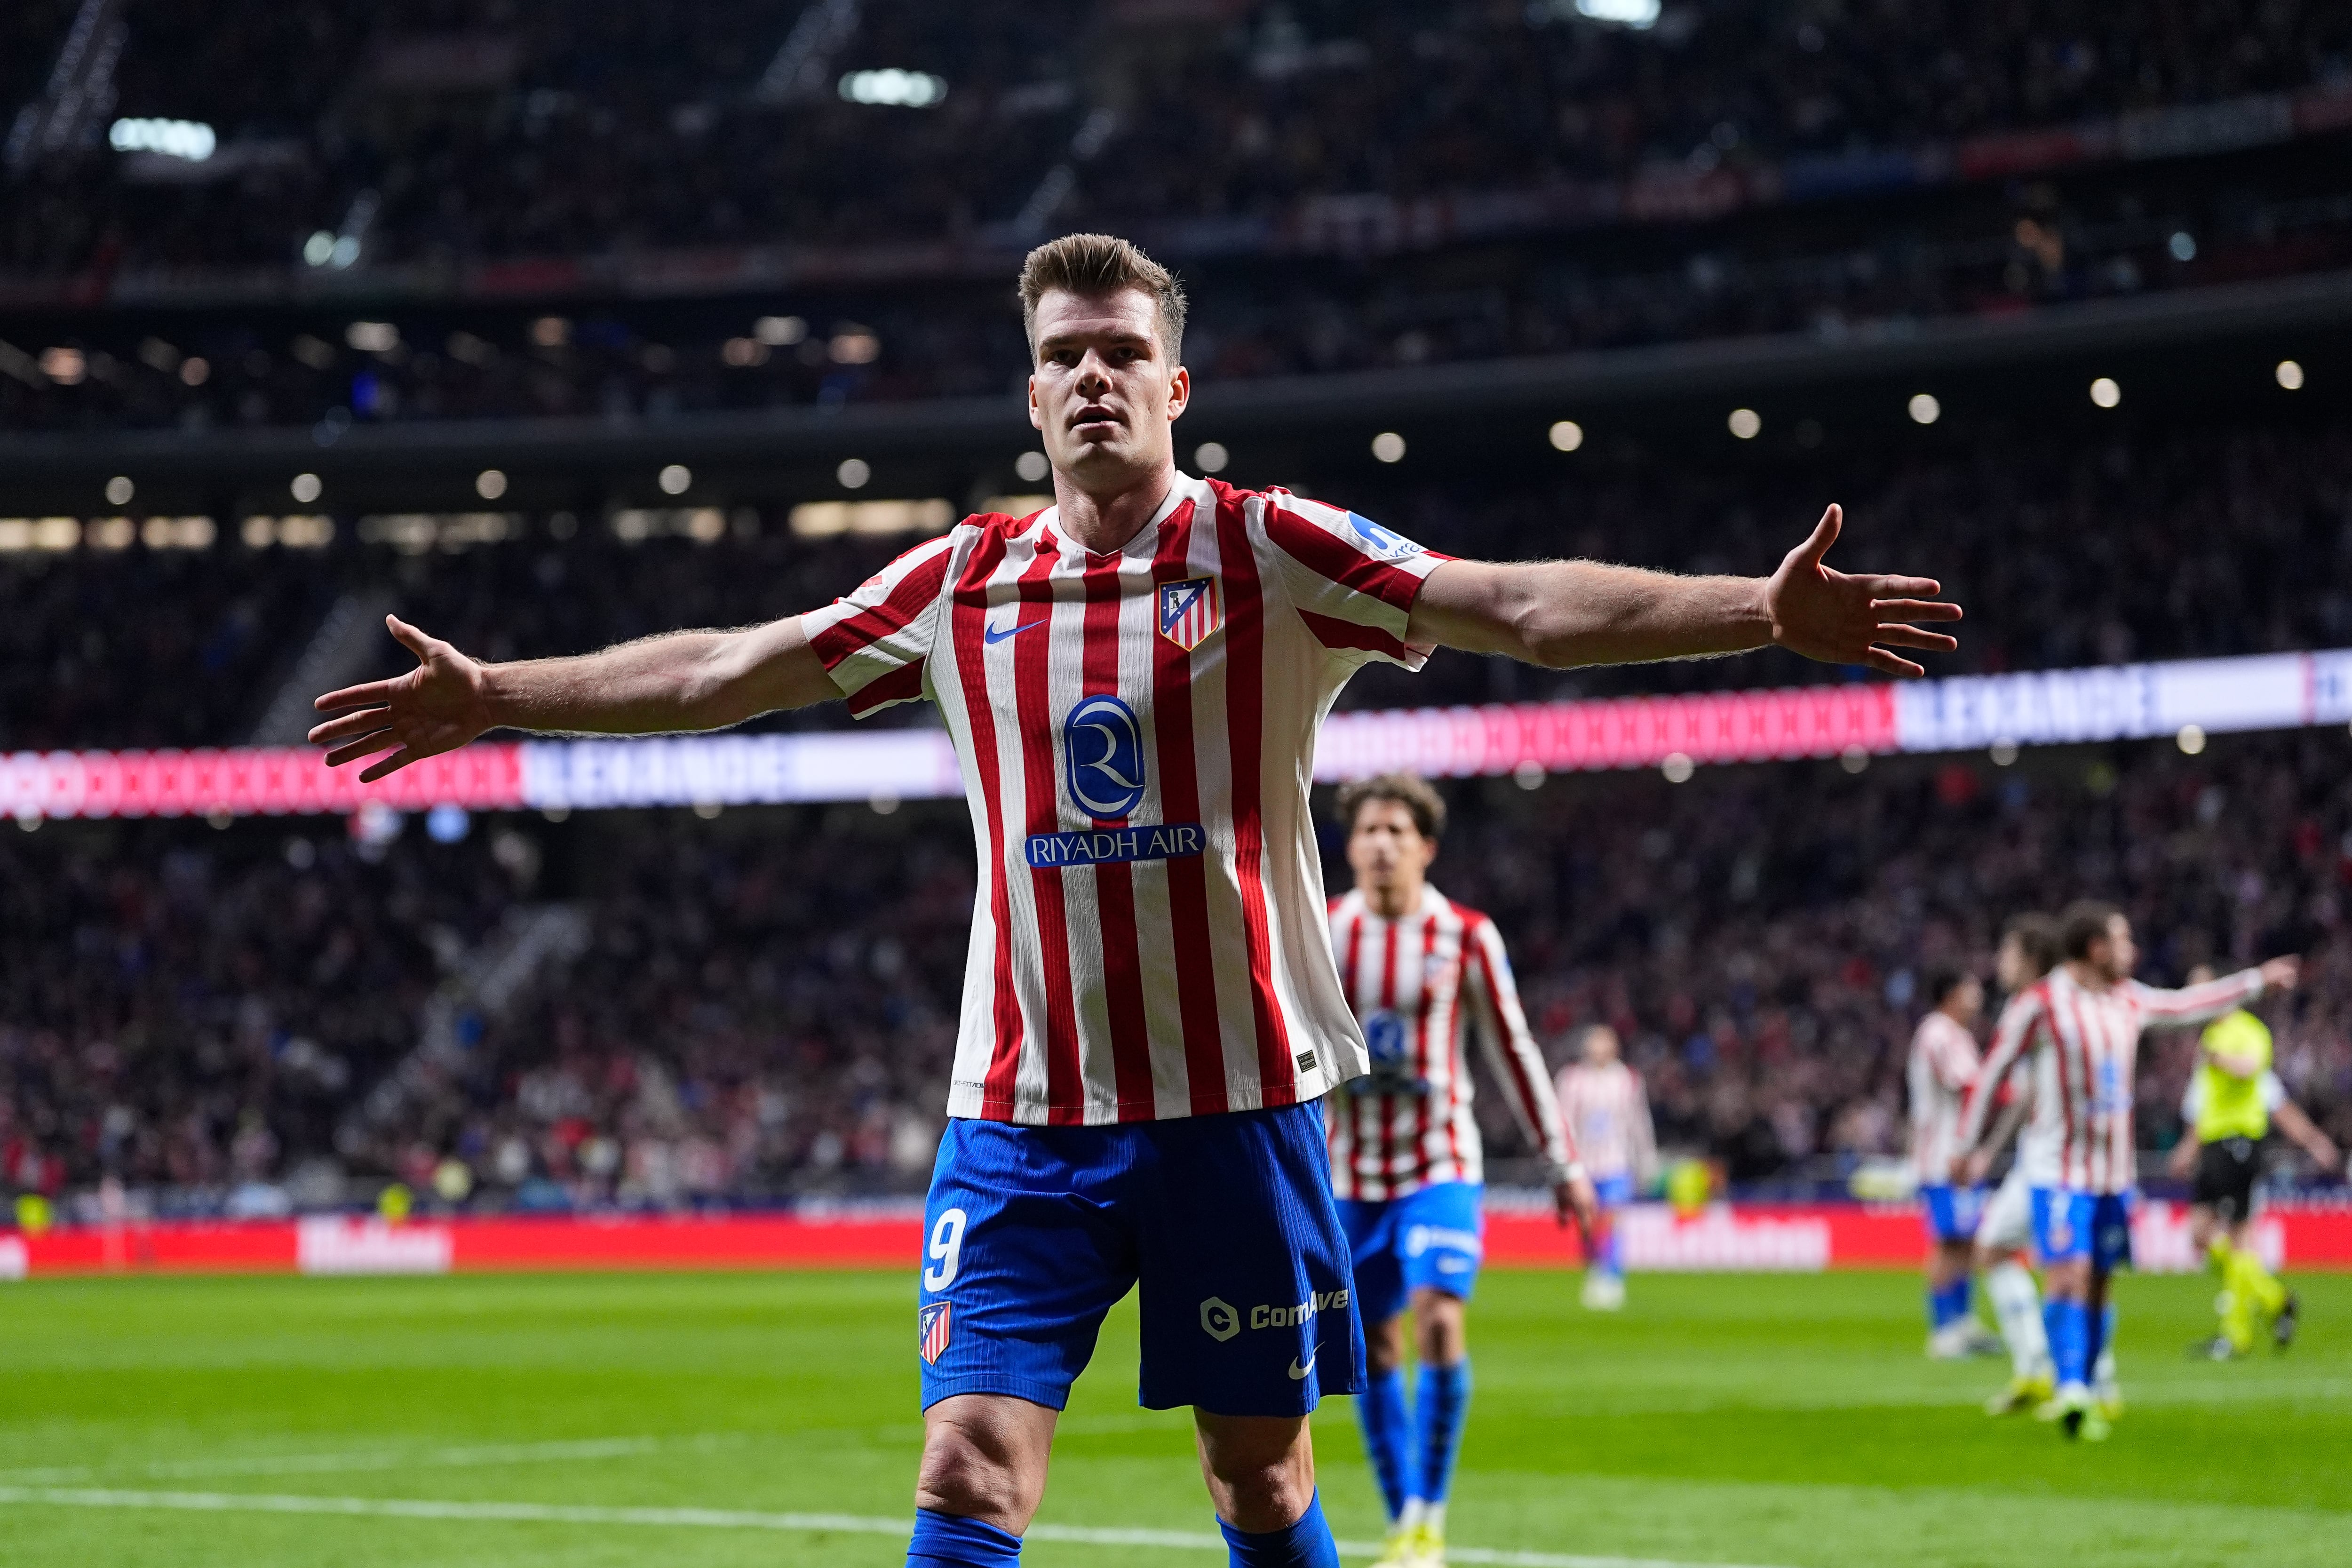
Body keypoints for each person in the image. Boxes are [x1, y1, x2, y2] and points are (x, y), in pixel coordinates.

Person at [308, 232, 1962, 1568]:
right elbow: (729, 668)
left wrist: (1756, 606)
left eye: (1119, 352)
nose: (1091, 377)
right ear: (1030, 397)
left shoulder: (1273, 549)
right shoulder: (960, 579)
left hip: (1235, 1113)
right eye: (1062, 356)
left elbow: (1518, 602)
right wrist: (499, 695)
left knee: (1259, 1479)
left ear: (1175, 384)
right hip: (1018, 1122)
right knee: (968, 1468)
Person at [1323, 772, 1596, 1568]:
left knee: (1440, 1315)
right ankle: (1403, 1516)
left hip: (1440, 1160)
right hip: (1347, 1173)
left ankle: (1429, 1514)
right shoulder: (1322, 929)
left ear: (1426, 847)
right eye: (1368, 830)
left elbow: (1513, 1046)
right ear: (1351, 846)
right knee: (1373, 1347)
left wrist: (1562, 1161)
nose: (1380, 844)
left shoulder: (1466, 934)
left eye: (1396, 832)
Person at [1953, 900, 2298, 1441]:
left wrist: (2255, 982)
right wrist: (1964, 1145)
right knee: (2066, 1272)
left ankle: (2089, 1387)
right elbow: (1995, 1066)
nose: (2131, 951)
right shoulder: (2039, 1004)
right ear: (2094, 948)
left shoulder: (2127, 1000)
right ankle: (2068, 1389)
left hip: (2112, 1175)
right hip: (2057, 1171)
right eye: (2121, 941)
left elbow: (2189, 1005)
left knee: (2098, 1284)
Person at [2165, 963, 2344, 1360]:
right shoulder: (2209, 1037)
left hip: (2239, 1144)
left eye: (2203, 992)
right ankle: (2274, 1296)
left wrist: (2315, 1141)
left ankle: (2235, 1335)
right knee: (2199, 1234)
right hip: (2213, 1144)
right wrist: (2188, 1149)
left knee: (2240, 1235)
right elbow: (2203, 1102)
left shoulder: (2249, 1032)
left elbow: (2254, 1075)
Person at [1964, 913, 2061, 1415]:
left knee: (2071, 1271)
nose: (1997, 962)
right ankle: (2035, 1369)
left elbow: (1996, 1082)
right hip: (2036, 1158)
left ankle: (2080, 1382)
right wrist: (1990, 1150)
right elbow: (2023, 1097)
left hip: (2060, 1160)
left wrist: (1970, 1147)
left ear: (2029, 959)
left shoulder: (2040, 1007)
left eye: (2005, 952)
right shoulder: (2041, 1007)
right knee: (1994, 1249)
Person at [1907, 965, 1998, 1359]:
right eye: (1971, 988)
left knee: (1965, 1240)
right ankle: (1943, 1332)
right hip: (1942, 1159)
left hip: (1960, 1157)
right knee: (1947, 1244)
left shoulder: (1957, 1034)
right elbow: (1967, 1085)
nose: (1978, 997)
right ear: (1952, 993)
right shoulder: (1938, 1033)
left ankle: (1962, 1323)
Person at [1555, 1025, 1655, 1311]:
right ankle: (1593, 1269)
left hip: (1615, 1162)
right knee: (1587, 1223)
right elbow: (1563, 1122)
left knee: (1612, 1220)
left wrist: (1645, 1160)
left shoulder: (1627, 1080)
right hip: (1583, 1166)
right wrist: (1562, 1162)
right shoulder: (1572, 1079)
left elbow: (1638, 1122)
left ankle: (1611, 1278)